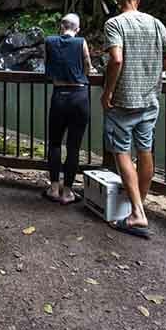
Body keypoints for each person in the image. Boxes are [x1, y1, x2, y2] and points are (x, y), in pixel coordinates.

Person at [100, 0, 166, 239]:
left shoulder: (115, 24)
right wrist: (155, 72)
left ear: (118, 1)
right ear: (138, 0)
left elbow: (117, 59)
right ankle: (139, 205)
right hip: (150, 100)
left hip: (123, 100)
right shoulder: (155, 23)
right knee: (145, 150)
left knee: (122, 151)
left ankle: (136, 212)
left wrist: (108, 91)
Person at [42, 13, 93, 205]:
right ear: (77, 29)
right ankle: (68, 192)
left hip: (59, 95)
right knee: (73, 147)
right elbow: (87, 66)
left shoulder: (49, 41)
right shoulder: (81, 42)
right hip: (79, 96)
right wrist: (84, 73)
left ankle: (54, 188)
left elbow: (47, 67)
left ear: (60, 26)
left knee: (55, 143)